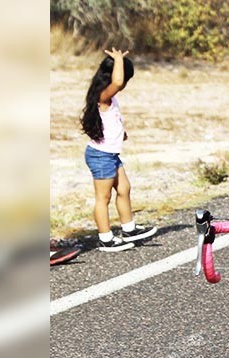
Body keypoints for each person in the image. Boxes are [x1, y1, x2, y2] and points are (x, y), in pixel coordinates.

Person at [80, 49, 156, 252]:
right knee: (102, 198)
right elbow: (118, 82)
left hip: (111, 154)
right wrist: (120, 60)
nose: (124, 85)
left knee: (124, 189)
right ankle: (105, 238)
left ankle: (129, 229)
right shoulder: (103, 95)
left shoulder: (110, 100)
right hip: (100, 156)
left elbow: (110, 121)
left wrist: (121, 133)